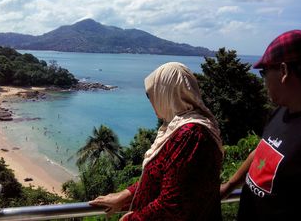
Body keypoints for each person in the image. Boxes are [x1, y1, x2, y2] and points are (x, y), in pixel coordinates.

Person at [90, 62, 224, 220]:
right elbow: (166, 179)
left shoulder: (191, 135)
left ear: (166, 93)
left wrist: (129, 219)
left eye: (151, 94)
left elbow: (173, 204)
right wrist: (127, 194)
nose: (151, 100)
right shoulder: (180, 127)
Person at [220, 30, 301, 220]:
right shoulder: (281, 112)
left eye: (264, 72)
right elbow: (262, 150)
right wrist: (229, 186)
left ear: (284, 71)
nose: (264, 80)